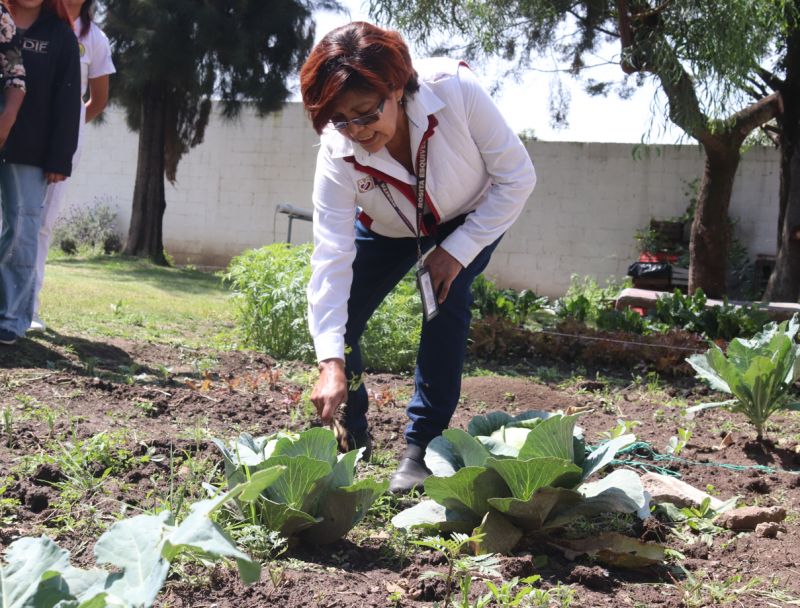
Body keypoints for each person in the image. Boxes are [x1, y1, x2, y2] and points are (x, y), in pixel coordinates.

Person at [299, 22, 536, 493]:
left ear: (398, 87)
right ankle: (352, 436)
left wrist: (457, 251)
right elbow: (331, 256)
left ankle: (422, 450)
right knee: (341, 322)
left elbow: (517, 177)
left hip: (469, 214)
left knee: (446, 300)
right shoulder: (337, 150)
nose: (357, 131)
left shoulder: (456, 90)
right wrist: (330, 362)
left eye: (366, 113)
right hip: (388, 226)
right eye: (341, 120)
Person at [29, 0, 114, 332]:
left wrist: (69, 129)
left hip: (62, 145)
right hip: (20, 136)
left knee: (42, 223)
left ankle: (27, 308)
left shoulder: (95, 39)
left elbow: (98, 99)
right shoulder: (34, 22)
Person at [0, 0, 80, 345]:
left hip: (31, 151)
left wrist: (60, 158)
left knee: (23, 232)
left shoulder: (61, 34)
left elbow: (68, 100)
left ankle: (12, 318)